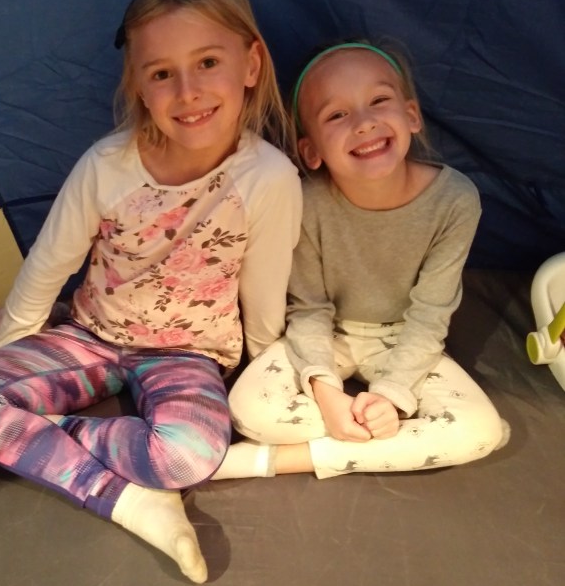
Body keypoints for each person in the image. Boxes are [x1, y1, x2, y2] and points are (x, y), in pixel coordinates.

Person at [0, 0, 302, 583]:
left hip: (187, 353)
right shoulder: (107, 165)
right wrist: (10, 348)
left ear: (251, 64)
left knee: (184, 459)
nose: (187, 91)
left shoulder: (268, 179)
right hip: (91, 337)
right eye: (161, 73)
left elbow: (263, 293)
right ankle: (131, 504)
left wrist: (266, 373)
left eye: (208, 62)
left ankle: (29, 435)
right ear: (138, 86)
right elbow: (49, 264)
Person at [212, 40, 508, 483]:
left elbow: (430, 316)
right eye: (337, 115)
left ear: (411, 115)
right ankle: (399, 441)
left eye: (379, 101)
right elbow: (309, 308)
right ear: (311, 151)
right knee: (248, 409)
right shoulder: (305, 201)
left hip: (403, 340)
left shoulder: (455, 200)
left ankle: (269, 461)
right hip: (327, 336)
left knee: (480, 430)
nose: (365, 123)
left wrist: (391, 396)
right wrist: (327, 393)